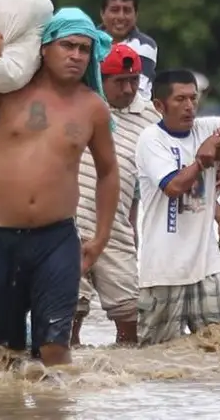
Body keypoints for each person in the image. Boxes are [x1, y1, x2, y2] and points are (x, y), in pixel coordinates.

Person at [0, 7, 120, 366]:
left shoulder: (92, 108)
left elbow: (108, 172)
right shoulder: (7, 91)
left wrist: (100, 238)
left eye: (84, 49)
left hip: (56, 241)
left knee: (55, 349)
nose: (76, 56)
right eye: (68, 46)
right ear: (44, 48)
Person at [134, 69, 220, 346]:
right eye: (180, 99)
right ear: (159, 105)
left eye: (193, 99)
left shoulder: (206, 128)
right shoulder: (151, 139)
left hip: (209, 265)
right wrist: (201, 161)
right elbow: (173, 187)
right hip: (164, 269)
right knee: (156, 354)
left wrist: (215, 141)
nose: (189, 106)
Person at [71, 46, 161, 346]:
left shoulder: (149, 115)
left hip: (115, 229)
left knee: (130, 320)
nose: (128, 88)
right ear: (101, 78)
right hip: (68, 225)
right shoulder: (77, 103)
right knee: (69, 317)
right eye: (120, 81)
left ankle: (124, 391)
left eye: (134, 80)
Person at [99, 0, 158, 99]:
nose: (121, 17)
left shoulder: (144, 46)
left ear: (136, 14)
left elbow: (135, 93)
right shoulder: (88, 41)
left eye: (127, 10)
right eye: (115, 10)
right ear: (102, 13)